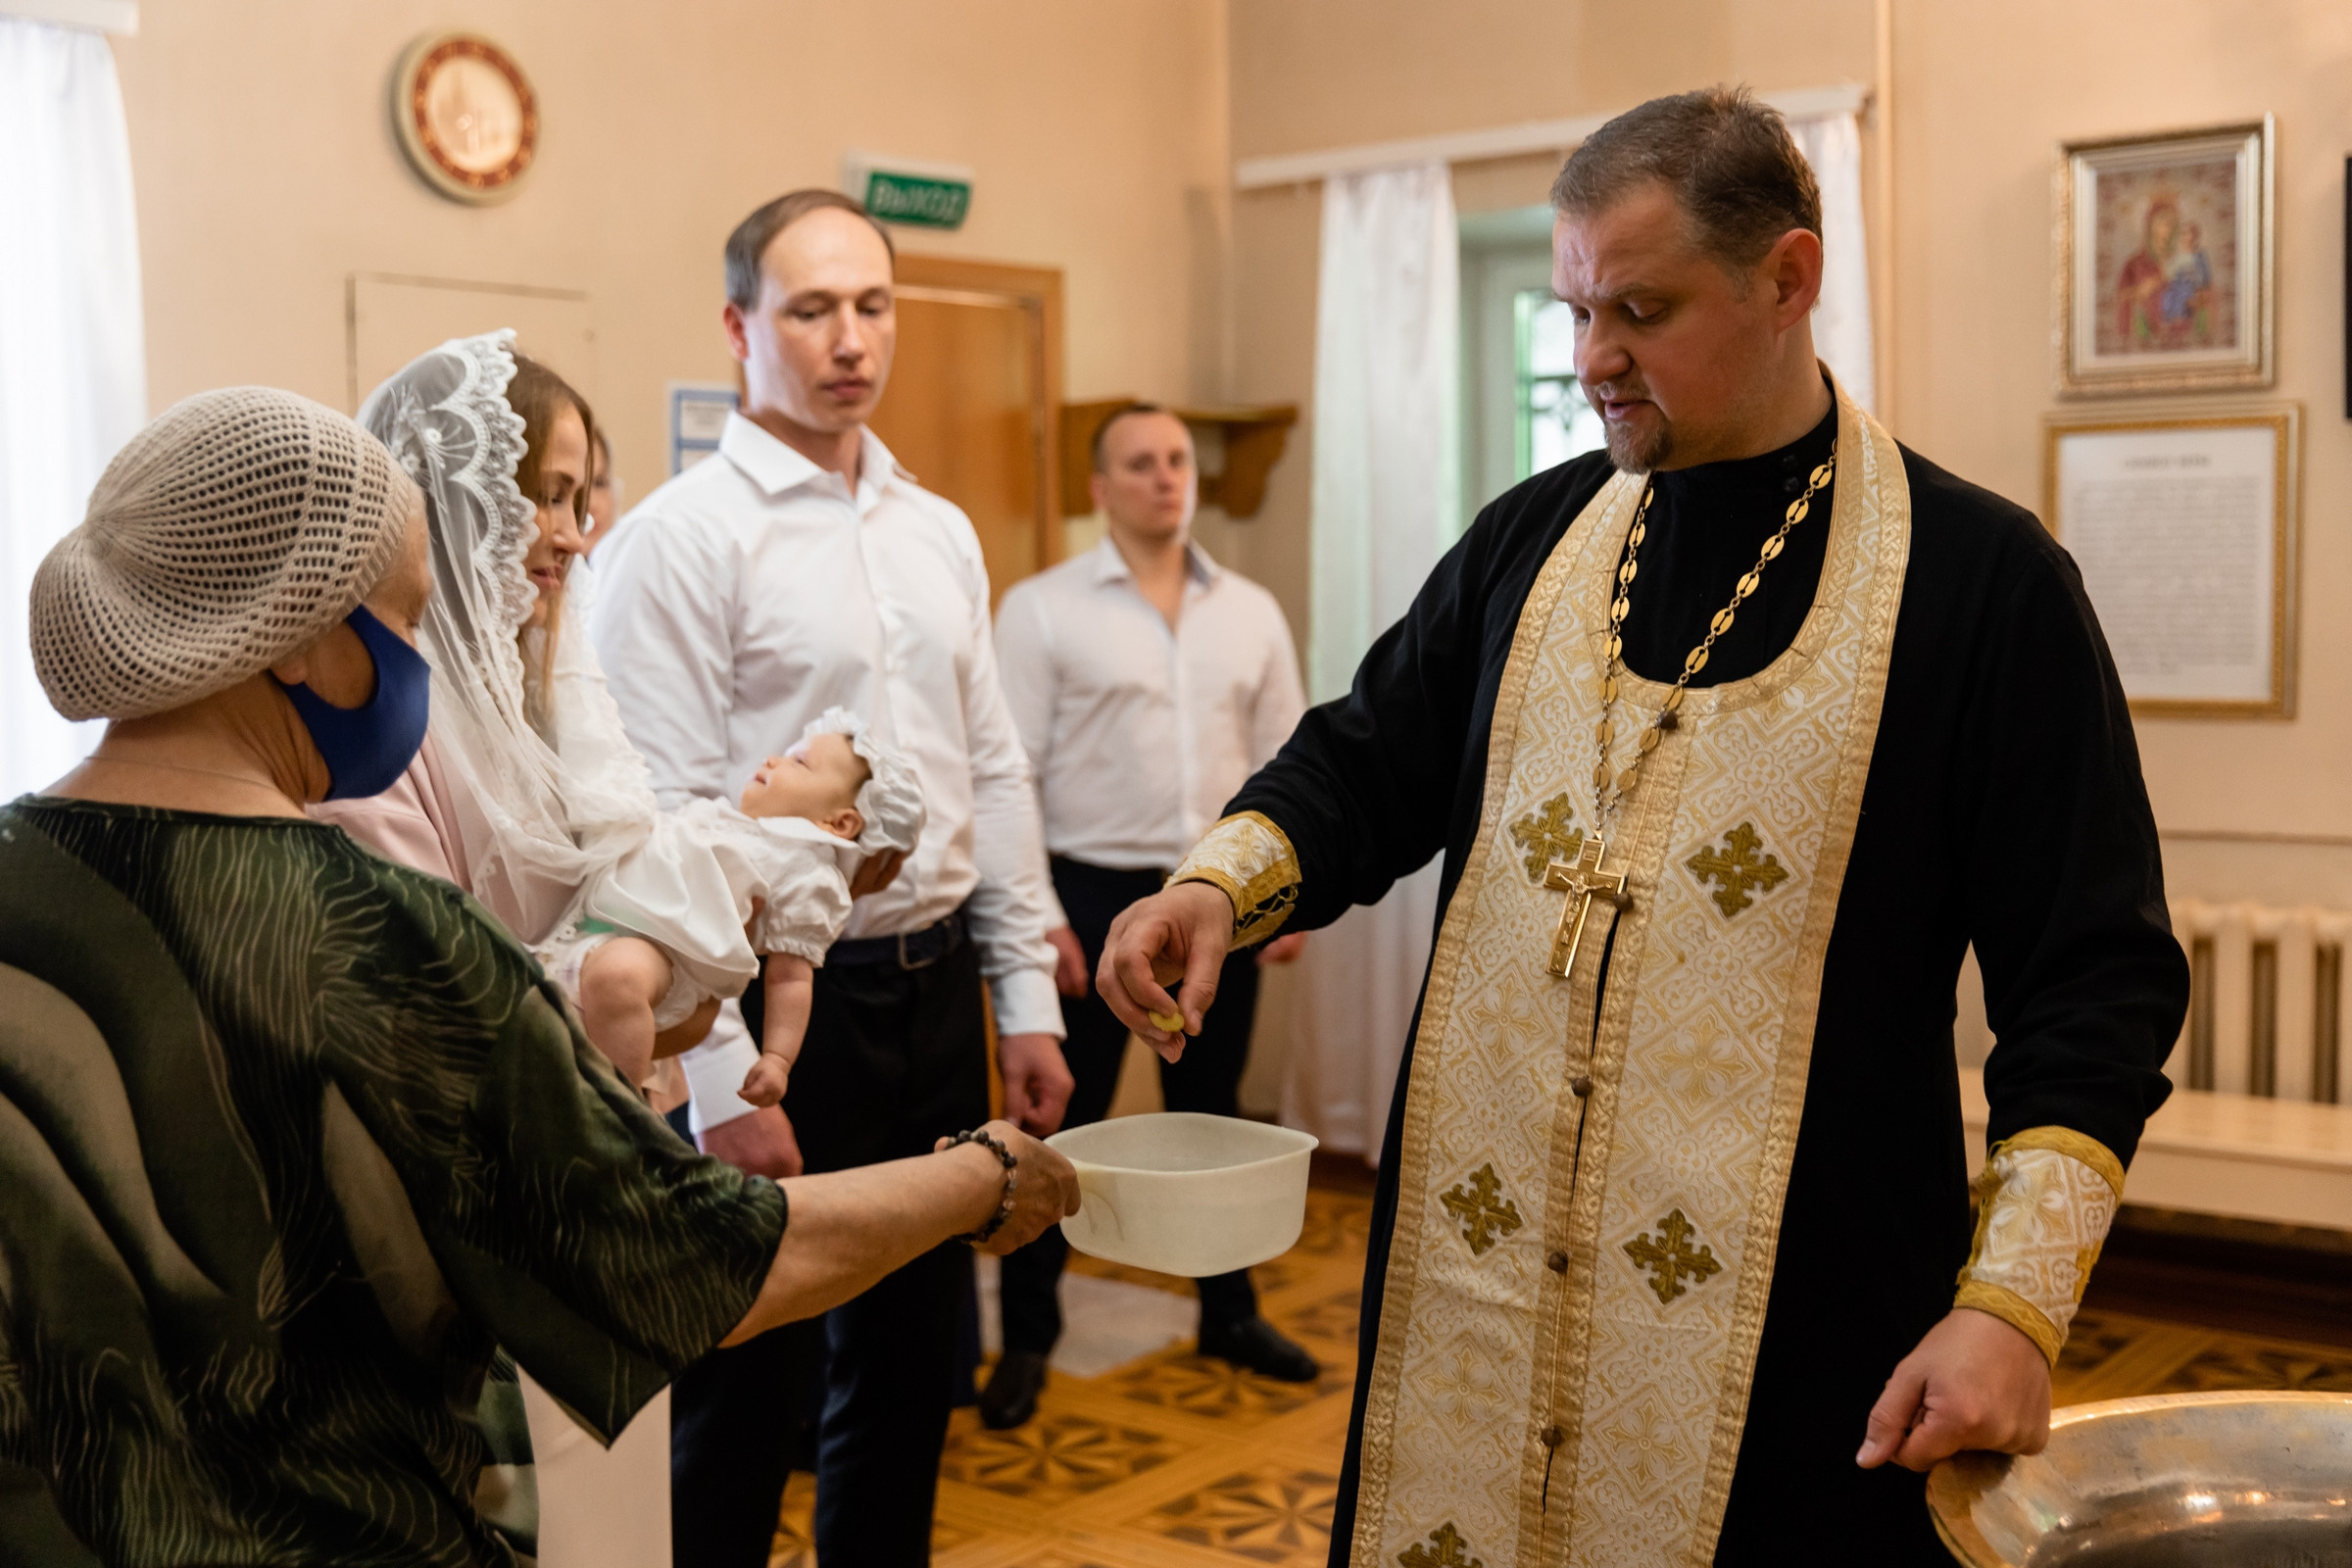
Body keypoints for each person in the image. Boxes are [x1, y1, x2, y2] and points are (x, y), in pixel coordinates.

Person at [1099, 87, 2187, 1568]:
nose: (1593, 358)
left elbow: (2093, 985)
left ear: (1790, 276)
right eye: (1576, 308)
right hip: (1473, 1317)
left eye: (1642, 310)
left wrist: (2009, 1311)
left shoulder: (1983, 583)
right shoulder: (1532, 540)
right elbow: (1367, 764)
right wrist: (1221, 887)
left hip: (1806, 1324)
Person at [0, 385, 1078, 1565]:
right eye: (407, 623)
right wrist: (982, 1182)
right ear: (306, 636)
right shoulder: (389, 936)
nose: (423, 663)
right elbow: (687, 1266)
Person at [589, 189, 1074, 1568]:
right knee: (749, 1385)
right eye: (810, 309)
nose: (848, 339)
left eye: (871, 306)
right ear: (742, 326)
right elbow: (658, 822)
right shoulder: (685, 539)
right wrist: (714, 1077)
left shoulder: (937, 529)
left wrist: (1024, 995)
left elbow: (989, 768)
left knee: (914, 1373)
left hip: (928, 997)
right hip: (764, 1025)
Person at [984, 402, 1315, 1428]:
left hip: (1215, 897)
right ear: (1100, 487)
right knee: (1057, 1123)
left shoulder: (1250, 609)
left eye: (1177, 459)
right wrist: (1041, 917)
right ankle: (1030, 1337)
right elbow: (1010, 775)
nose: (1167, 477)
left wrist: (1285, 891)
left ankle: (1229, 1309)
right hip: (1084, 897)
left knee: (1212, 1119)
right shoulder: (1041, 610)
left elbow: (1287, 756)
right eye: (1141, 463)